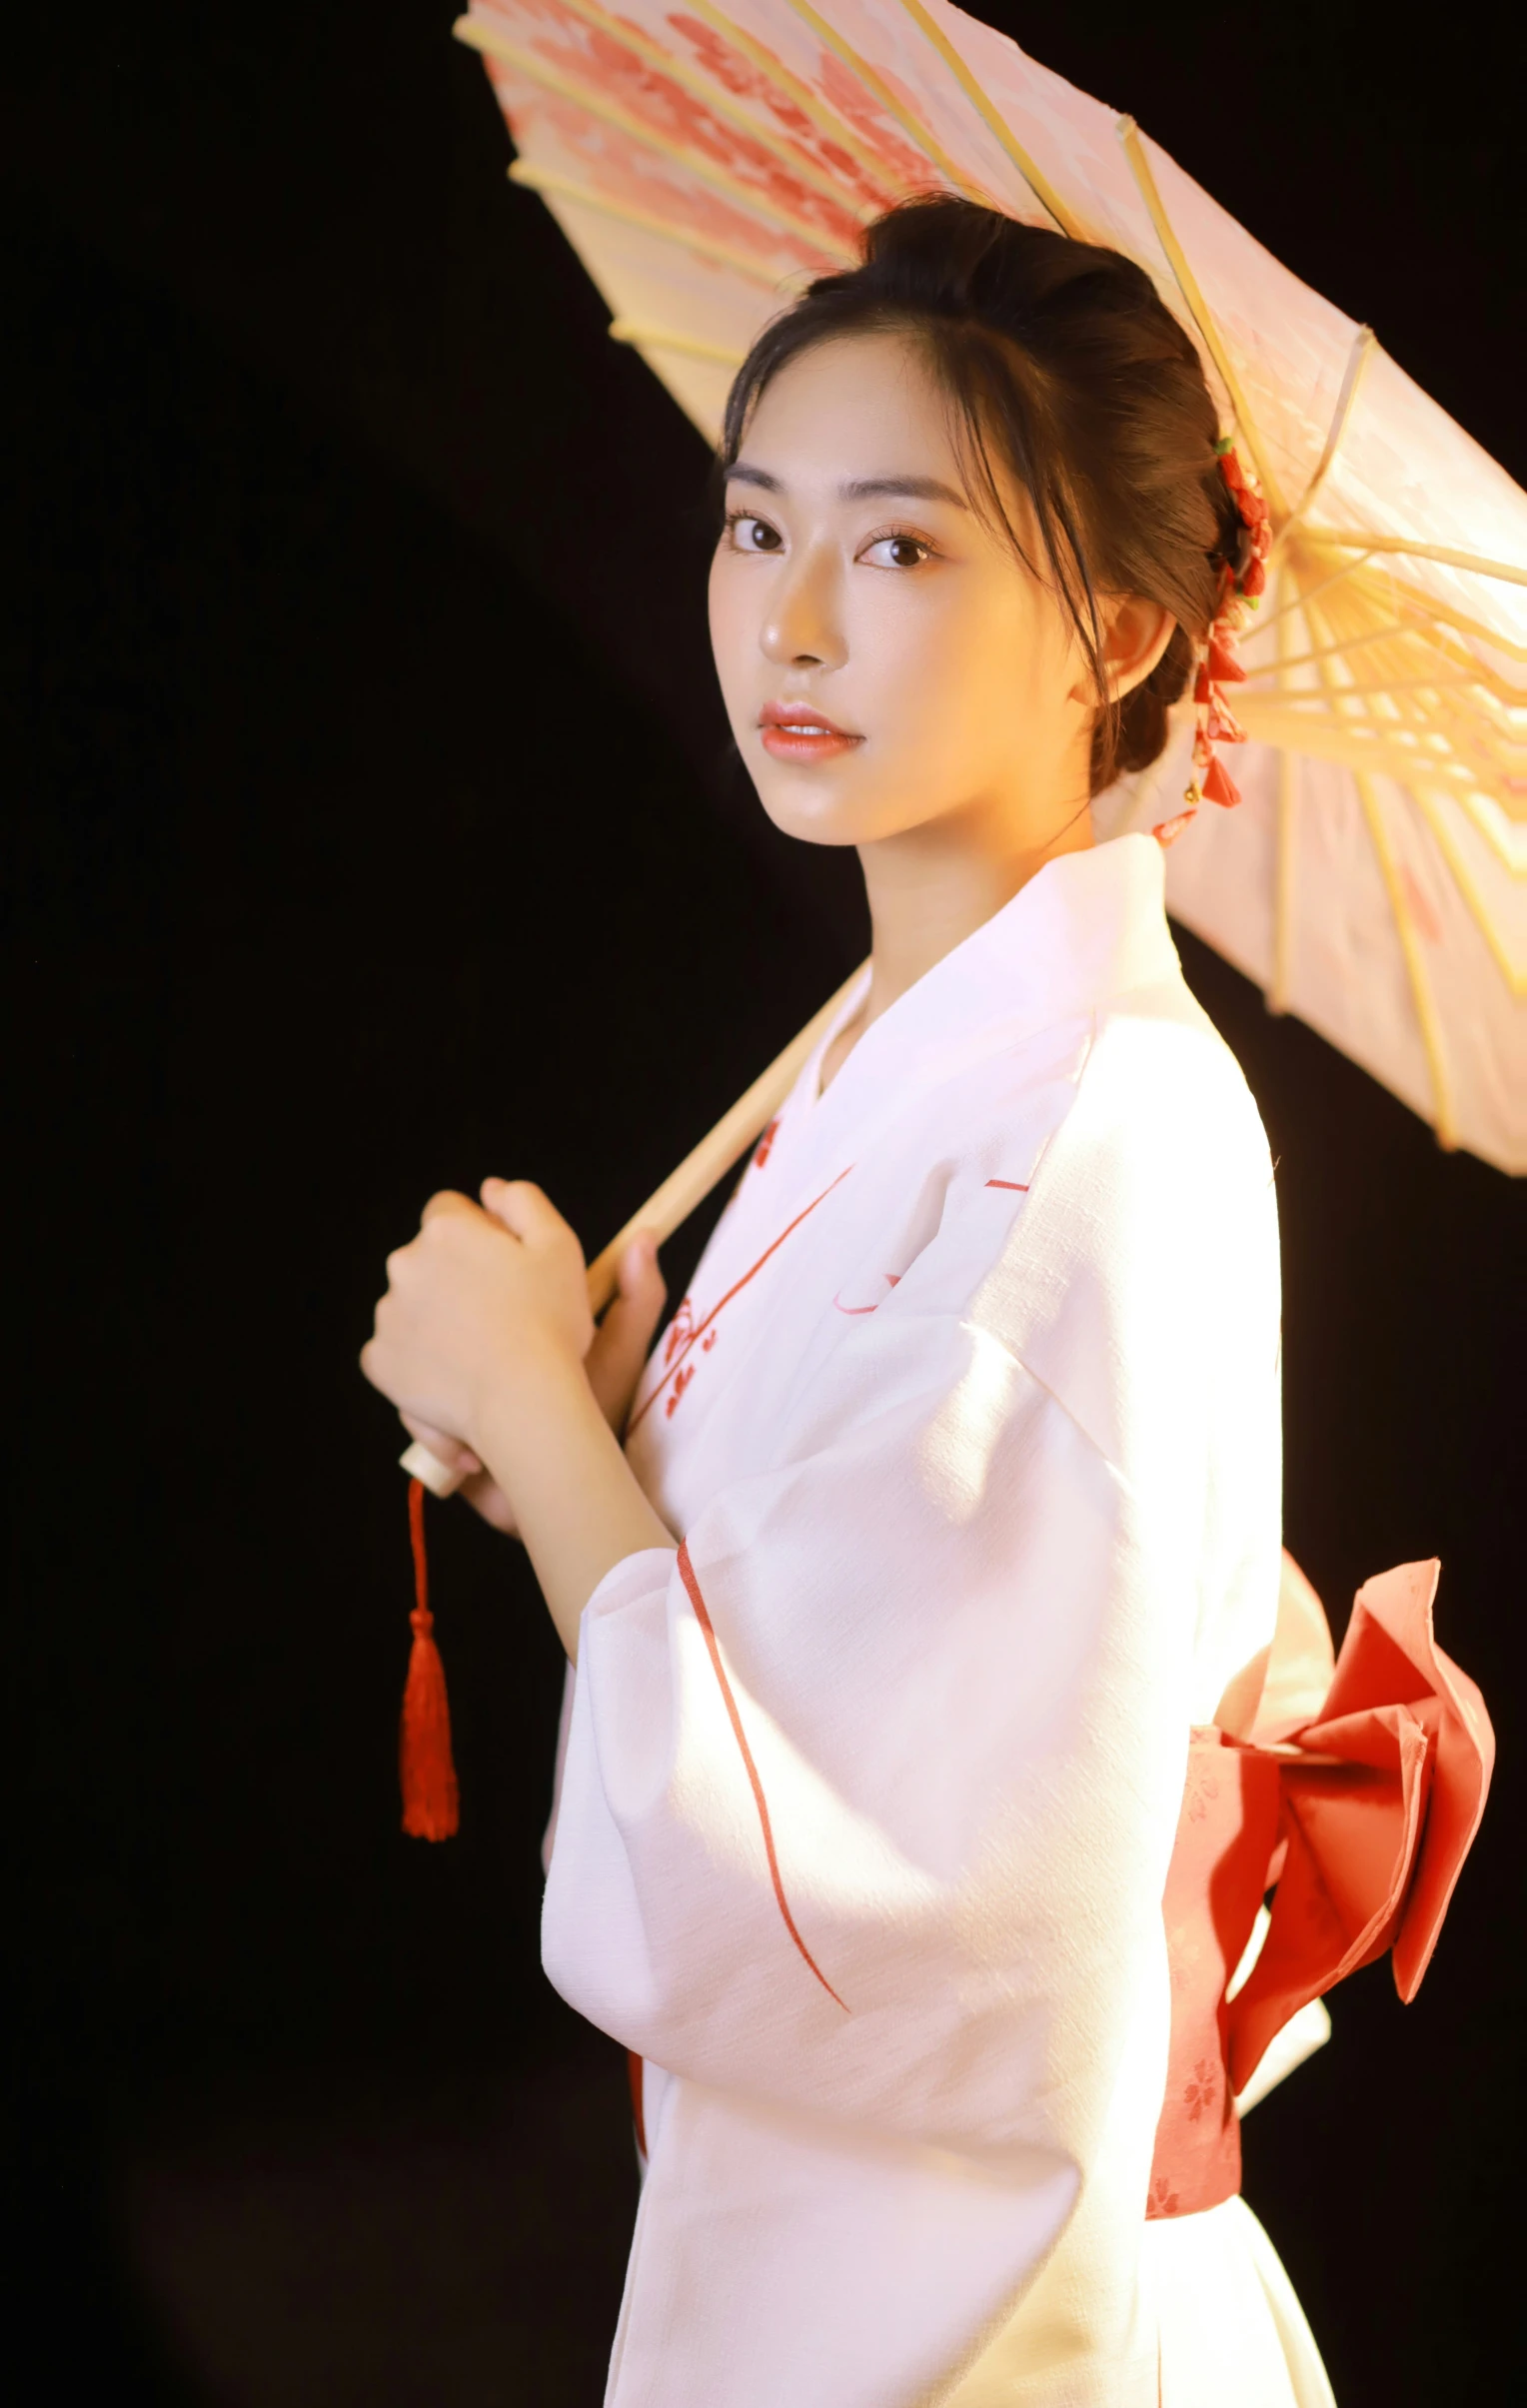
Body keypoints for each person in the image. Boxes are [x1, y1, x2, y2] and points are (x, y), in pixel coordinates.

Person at [358, 199, 1369, 2403]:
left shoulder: (1082, 1143)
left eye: (900, 550)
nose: (787, 623)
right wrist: (607, 1437)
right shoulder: (892, 1063)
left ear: (1111, 624)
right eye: (752, 526)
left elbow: (823, 1893)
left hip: (996, 2319)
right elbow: (839, 1644)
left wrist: (534, 1416)